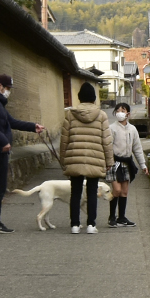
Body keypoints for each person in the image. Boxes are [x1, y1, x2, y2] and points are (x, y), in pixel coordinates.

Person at [0, 74, 43, 234]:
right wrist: (3, 141)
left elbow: (11, 122)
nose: (8, 91)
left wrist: (33, 127)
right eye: (7, 88)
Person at [58, 83, 111, 234]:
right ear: (94, 99)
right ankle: (91, 225)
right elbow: (107, 141)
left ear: (79, 98)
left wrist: (63, 160)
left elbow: (64, 140)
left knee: (75, 192)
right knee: (92, 191)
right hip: (95, 159)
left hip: (74, 158)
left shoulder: (70, 115)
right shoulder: (102, 116)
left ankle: (75, 225)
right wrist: (109, 162)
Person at [106, 101, 141, 227]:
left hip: (127, 163)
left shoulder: (132, 129)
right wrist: (107, 162)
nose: (120, 113)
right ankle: (111, 217)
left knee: (124, 191)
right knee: (116, 190)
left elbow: (137, 148)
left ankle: (121, 217)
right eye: (118, 110)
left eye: (123, 110)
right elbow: (108, 146)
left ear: (128, 114)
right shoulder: (112, 128)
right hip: (114, 162)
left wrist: (143, 165)